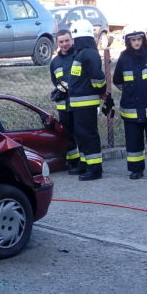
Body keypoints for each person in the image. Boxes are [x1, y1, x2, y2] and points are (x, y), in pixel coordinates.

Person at [112, 27, 147, 179]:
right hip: (131, 108)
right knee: (133, 143)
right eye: (133, 40)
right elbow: (117, 81)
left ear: (143, 39)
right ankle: (136, 170)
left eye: (139, 39)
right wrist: (131, 90)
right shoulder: (124, 57)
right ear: (128, 41)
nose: (136, 43)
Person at [62, 19, 108, 181]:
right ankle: (84, 163)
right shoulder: (81, 54)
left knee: (88, 136)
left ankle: (95, 169)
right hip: (78, 104)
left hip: (86, 103)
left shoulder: (88, 53)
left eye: (74, 38)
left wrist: (101, 90)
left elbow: (98, 77)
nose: (72, 42)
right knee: (81, 135)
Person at [49, 29, 82, 174]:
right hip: (63, 106)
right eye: (61, 41)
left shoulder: (78, 56)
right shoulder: (55, 62)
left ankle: (85, 162)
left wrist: (65, 87)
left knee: (82, 133)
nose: (64, 44)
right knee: (68, 135)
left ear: (72, 40)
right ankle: (73, 162)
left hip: (79, 104)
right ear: (57, 43)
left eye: (67, 40)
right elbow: (55, 81)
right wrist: (61, 88)